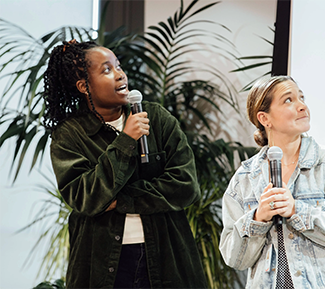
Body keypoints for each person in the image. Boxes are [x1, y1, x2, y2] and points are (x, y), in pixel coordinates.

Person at [42, 39, 208, 289]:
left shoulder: (157, 119)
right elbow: (85, 197)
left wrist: (120, 200)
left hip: (166, 258)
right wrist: (125, 141)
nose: (120, 75)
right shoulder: (70, 135)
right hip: (102, 263)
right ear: (83, 86)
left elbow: (185, 186)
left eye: (118, 66)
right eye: (107, 70)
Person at [219, 75, 325, 288]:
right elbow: (235, 259)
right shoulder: (244, 179)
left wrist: (297, 210)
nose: (302, 106)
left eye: (301, 97)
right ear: (264, 118)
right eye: (288, 100)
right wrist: (258, 218)